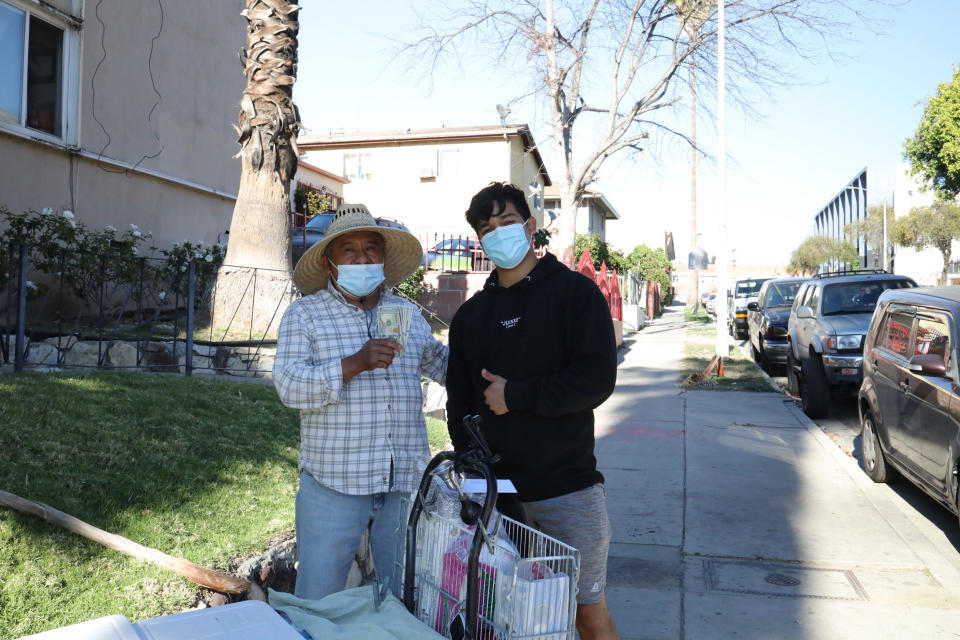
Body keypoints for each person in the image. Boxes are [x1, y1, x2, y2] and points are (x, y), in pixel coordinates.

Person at [445, 182, 620, 640]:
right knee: (509, 613)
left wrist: (517, 395)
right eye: (487, 228)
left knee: (587, 613)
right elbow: (459, 403)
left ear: (529, 226)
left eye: (506, 223)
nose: (498, 233)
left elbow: (596, 380)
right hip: (496, 499)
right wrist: (473, 471)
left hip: (568, 491)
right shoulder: (470, 317)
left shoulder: (576, 295)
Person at [273, 204, 448, 600]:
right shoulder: (305, 316)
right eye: (348, 249)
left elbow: (441, 365)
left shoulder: (406, 312)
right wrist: (354, 363)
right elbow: (289, 385)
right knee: (319, 596)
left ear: (384, 259)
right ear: (329, 261)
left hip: (402, 480)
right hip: (333, 483)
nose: (361, 258)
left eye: (371, 248)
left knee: (405, 593)